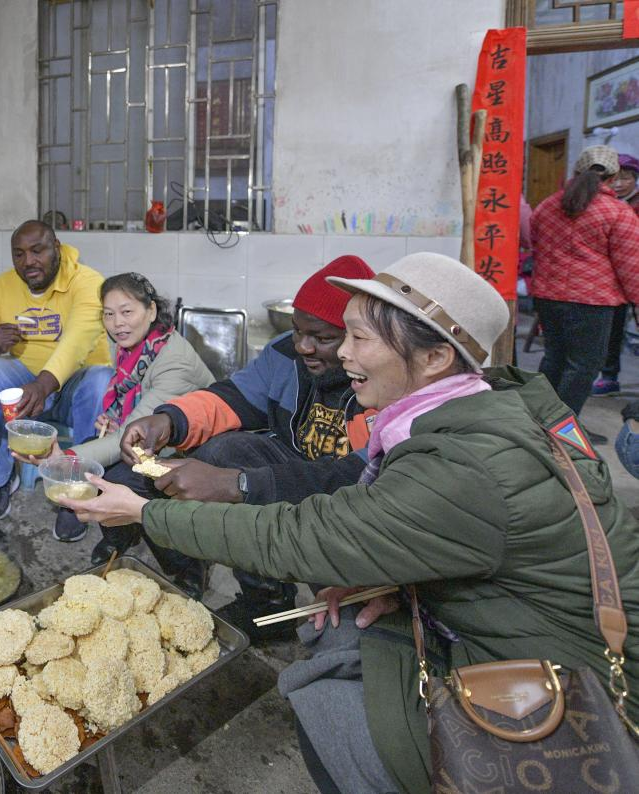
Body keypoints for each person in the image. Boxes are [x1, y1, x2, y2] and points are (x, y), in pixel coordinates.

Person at [60, 253, 639, 794]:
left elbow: (307, 529)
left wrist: (146, 512)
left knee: (324, 699)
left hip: (563, 689)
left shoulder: (465, 462)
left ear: (435, 358)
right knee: (331, 611)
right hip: (495, 617)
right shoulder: (463, 407)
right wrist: (171, 419)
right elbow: (236, 399)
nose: (336, 354)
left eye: (356, 337)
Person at [112, 256, 377, 619]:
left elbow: (356, 480)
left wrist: (238, 484)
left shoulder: (379, 380)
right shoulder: (285, 354)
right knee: (221, 449)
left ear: (361, 339)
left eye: (323, 337)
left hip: (350, 496)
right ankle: (266, 597)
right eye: (300, 331)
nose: (304, 347)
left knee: (340, 611)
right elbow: (233, 397)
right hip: (290, 465)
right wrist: (167, 420)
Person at [10, 272, 213, 590]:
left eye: (127, 311)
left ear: (151, 311)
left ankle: (188, 565)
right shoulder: (138, 346)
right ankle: (122, 535)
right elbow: (130, 415)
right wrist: (113, 421)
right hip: (145, 439)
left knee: (126, 477)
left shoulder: (175, 362)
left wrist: (67, 457)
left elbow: (134, 436)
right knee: (98, 460)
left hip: (189, 453)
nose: (117, 323)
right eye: (109, 314)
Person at [0, 219, 112, 519]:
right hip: (23, 384)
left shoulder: (88, 282)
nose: (28, 261)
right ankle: (1, 478)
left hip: (74, 387)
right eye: (19, 254)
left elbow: (77, 340)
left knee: (102, 379)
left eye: (37, 251)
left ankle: (77, 490)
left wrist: (44, 386)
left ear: (56, 248)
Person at [530, 144, 639, 421]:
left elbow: (536, 245)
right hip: (592, 302)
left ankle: (538, 422)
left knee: (554, 358)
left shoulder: (547, 206)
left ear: (577, 172)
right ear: (613, 178)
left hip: (548, 297)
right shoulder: (617, 212)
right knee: (582, 367)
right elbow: (631, 266)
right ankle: (565, 433)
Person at [591, 153, 639, 396]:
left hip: (633, 273)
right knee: (613, 330)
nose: (620, 184)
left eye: (627, 178)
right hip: (612, 280)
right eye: (616, 179)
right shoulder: (604, 204)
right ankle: (609, 376)